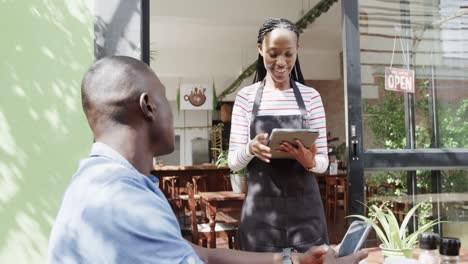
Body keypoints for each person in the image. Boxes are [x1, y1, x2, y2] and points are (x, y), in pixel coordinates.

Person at [47, 56, 367, 264]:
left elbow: (198, 254)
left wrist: (292, 260)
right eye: (165, 98)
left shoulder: (105, 181)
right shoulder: (123, 201)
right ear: (148, 106)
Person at [228, 18, 330, 252]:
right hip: (260, 214)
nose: (281, 62)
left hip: (306, 212)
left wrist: (310, 161)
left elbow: (324, 162)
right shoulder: (245, 98)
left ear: (297, 51)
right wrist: (250, 149)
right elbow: (233, 162)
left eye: (288, 54)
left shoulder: (312, 97)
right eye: (273, 54)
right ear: (260, 49)